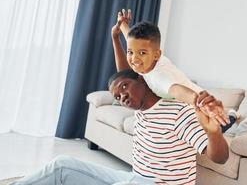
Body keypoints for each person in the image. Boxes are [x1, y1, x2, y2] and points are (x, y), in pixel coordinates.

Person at [12, 69, 229, 185]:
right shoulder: (141, 112)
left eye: (125, 87)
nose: (122, 96)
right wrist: (116, 36)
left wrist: (213, 132)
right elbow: (123, 73)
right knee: (61, 165)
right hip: (132, 178)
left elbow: (219, 157)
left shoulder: (176, 112)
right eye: (117, 96)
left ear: (143, 81)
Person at [111, 9, 239, 132]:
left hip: (198, 105)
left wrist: (201, 103)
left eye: (142, 53)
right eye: (130, 52)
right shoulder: (147, 60)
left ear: (157, 54)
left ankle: (231, 117)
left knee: (221, 126)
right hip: (192, 100)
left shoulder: (159, 77)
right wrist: (120, 28)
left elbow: (177, 90)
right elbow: (130, 43)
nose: (134, 58)